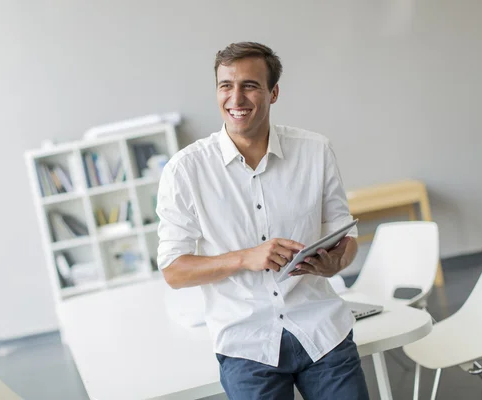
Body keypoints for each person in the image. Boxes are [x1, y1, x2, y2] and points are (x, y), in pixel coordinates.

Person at [155, 42, 369, 400]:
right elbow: (174, 271)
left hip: (321, 328)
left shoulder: (315, 151)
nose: (236, 98)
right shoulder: (185, 170)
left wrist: (336, 262)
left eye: (250, 85)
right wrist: (244, 257)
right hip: (246, 343)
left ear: (273, 92)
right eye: (226, 86)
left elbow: (345, 239)